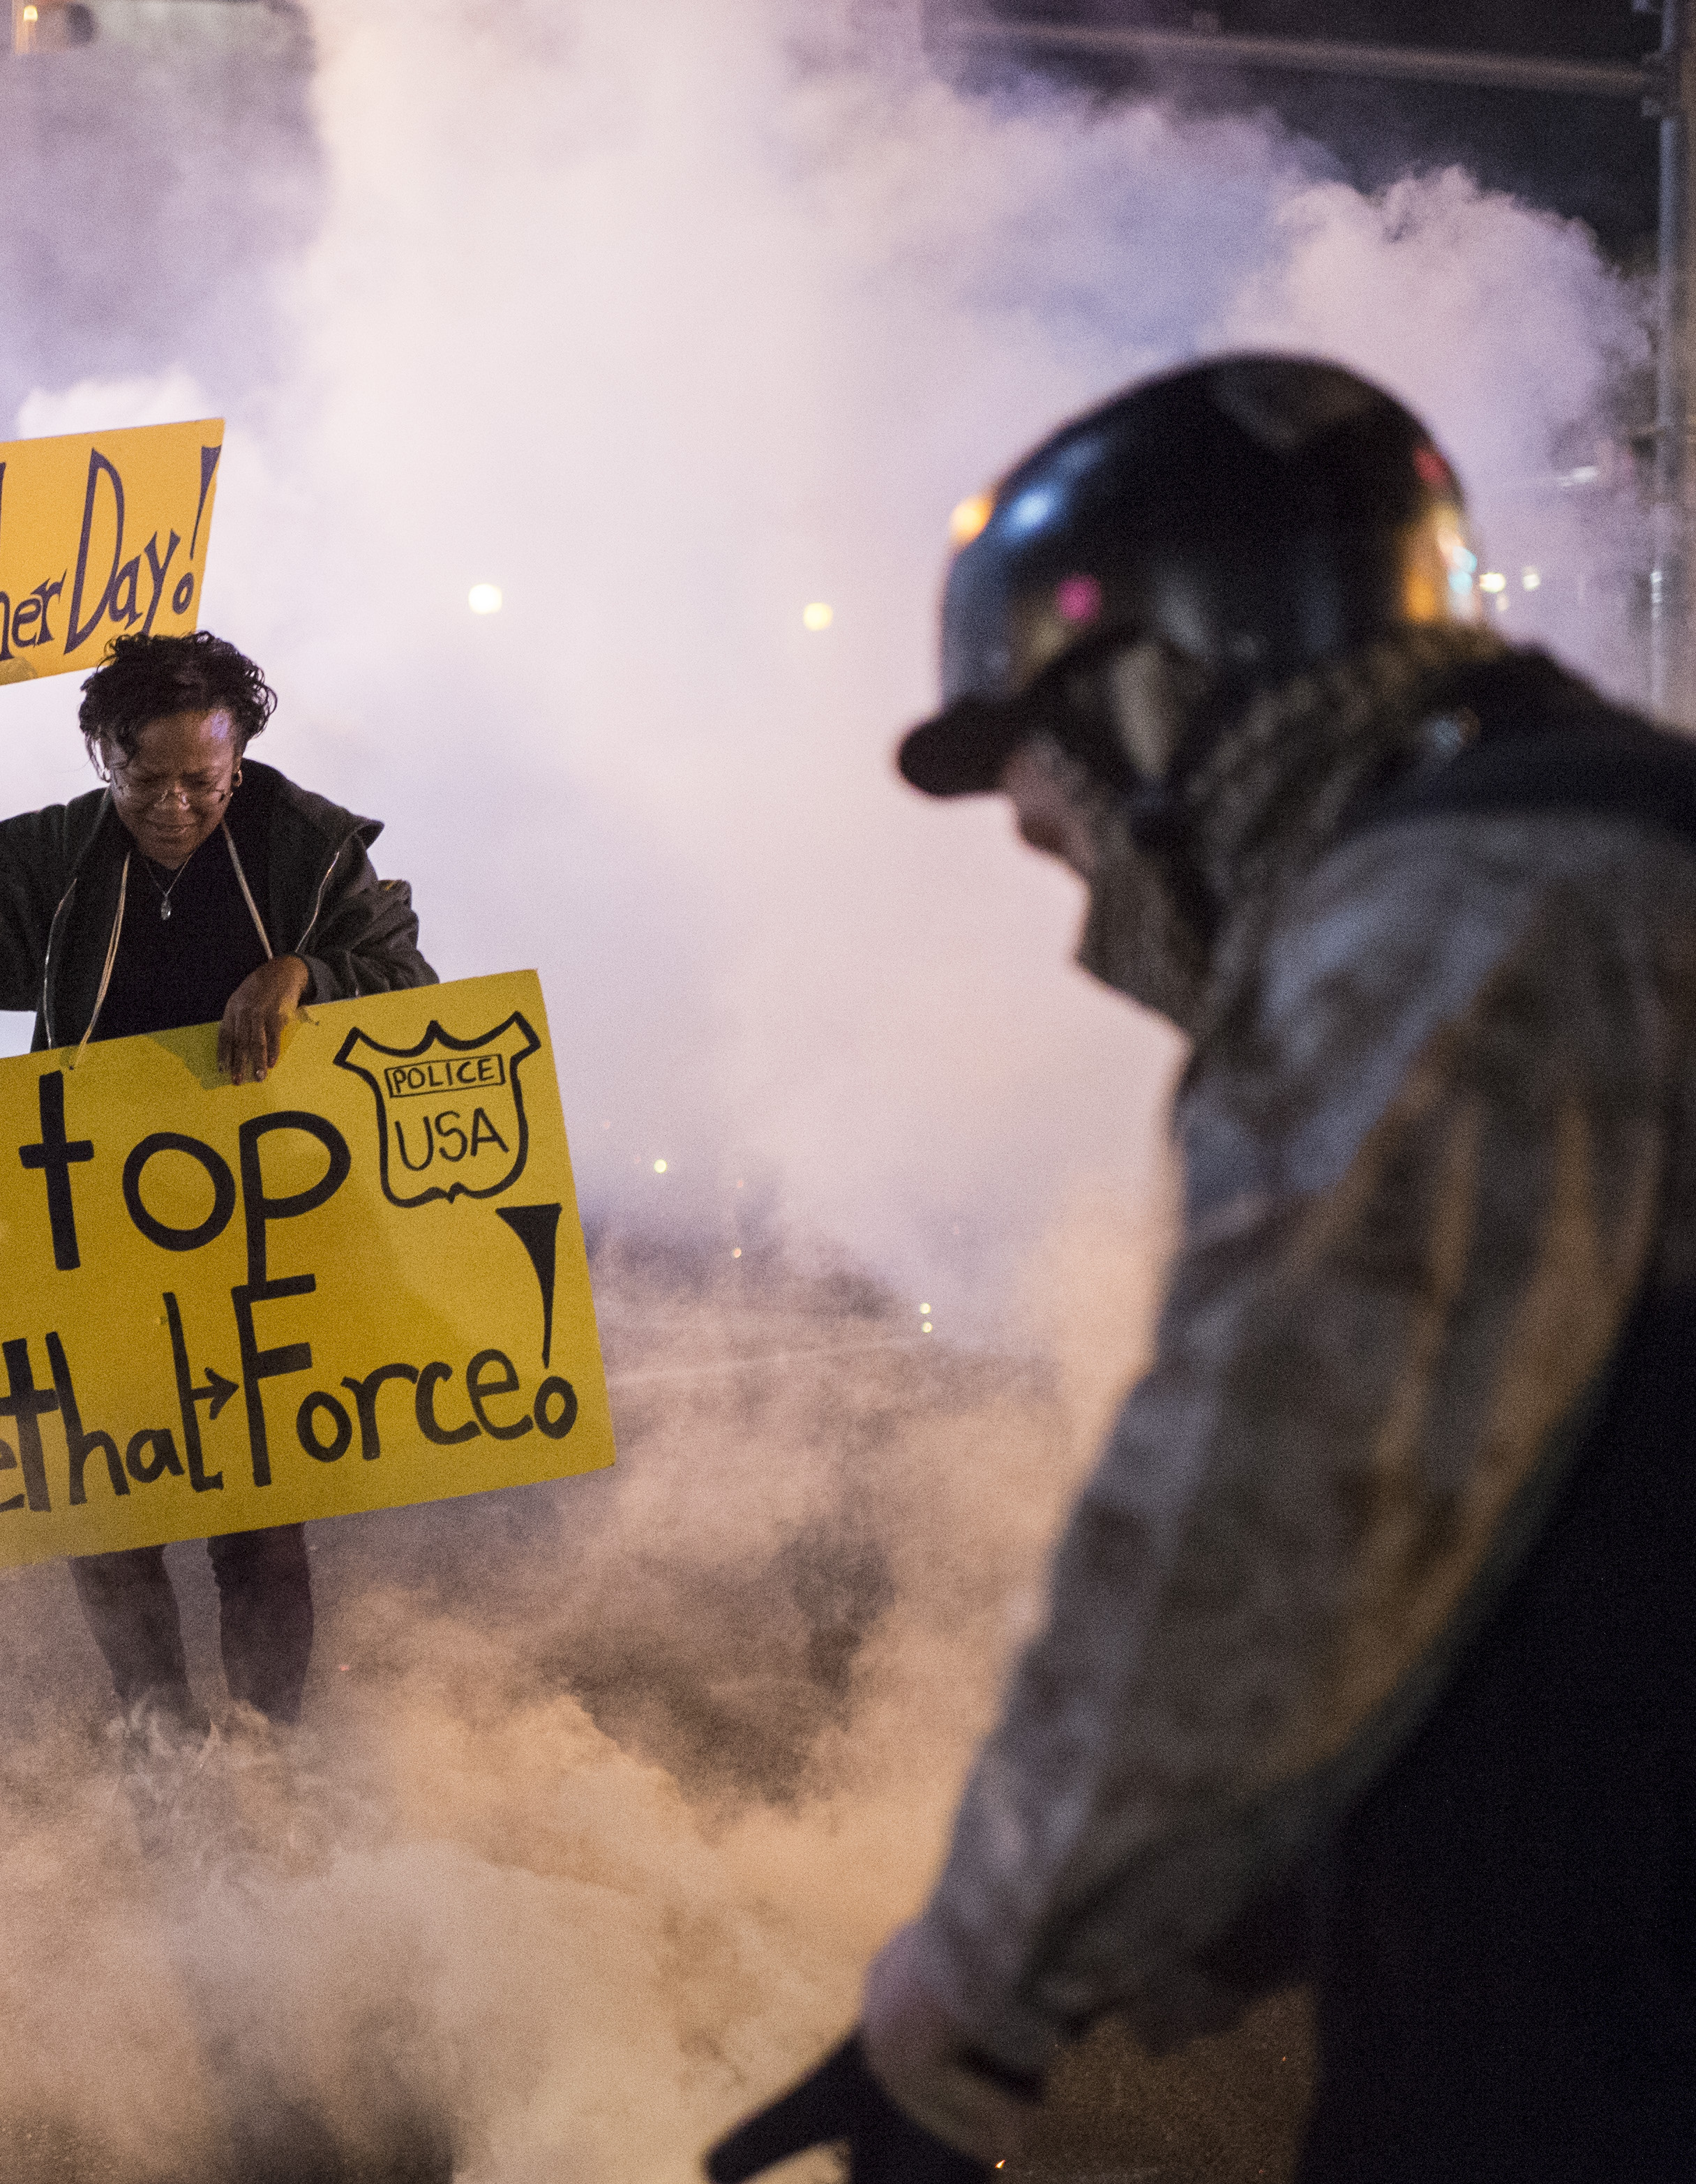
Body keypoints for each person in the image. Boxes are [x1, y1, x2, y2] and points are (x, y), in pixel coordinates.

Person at [710, 355, 1696, 2183]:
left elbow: (1260, 1523)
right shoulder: (1615, 838)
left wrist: (969, 1999)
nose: (1089, 924)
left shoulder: (1452, 922)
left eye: (1061, 831)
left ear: (1157, 700)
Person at [0, 629, 433, 1737]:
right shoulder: (55, 859)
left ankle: (268, 1744)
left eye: (202, 780)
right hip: (96, 1237)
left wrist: (304, 972)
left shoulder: (306, 848)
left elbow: (407, 981)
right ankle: (159, 1737)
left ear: (237, 759)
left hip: (260, 1241)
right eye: (142, 779)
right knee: (106, 1511)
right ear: (101, 755)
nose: (173, 806)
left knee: (258, 1517)